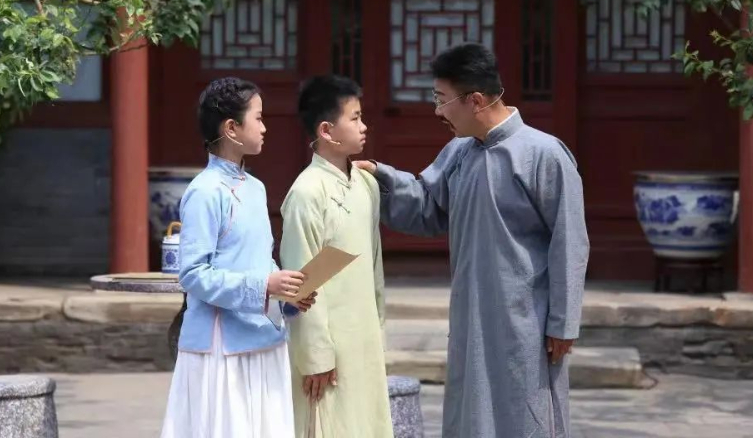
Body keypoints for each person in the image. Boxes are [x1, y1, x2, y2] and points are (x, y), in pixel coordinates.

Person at [355, 44, 590, 438]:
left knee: (526, 414)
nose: (437, 111)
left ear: (476, 100)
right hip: (471, 315)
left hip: (525, 320)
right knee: (472, 415)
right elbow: (427, 206)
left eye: (441, 99)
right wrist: (378, 176)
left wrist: (563, 323)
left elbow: (571, 242)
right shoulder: (459, 151)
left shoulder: (544, 155)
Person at [160, 77, 316, 438]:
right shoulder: (204, 191)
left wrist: (287, 293)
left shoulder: (255, 188)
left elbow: (260, 260)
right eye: (258, 118)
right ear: (231, 128)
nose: (264, 127)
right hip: (221, 348)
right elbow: (193, 274)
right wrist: (265, 285)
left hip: (264, 336)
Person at [280, 75, 394, 438]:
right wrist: (316, 356)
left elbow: (374, 265)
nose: (364, 126)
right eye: (355, 118)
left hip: (363, 335)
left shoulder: (366, 184)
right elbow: (300, 282)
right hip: (329, 346)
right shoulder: (306, 193)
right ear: (327, 130)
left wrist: (377, 327)